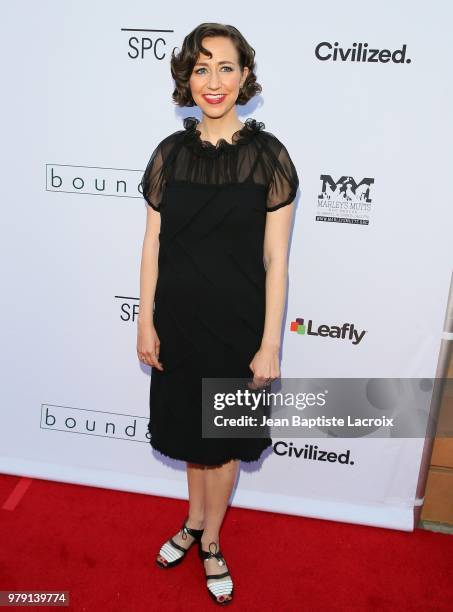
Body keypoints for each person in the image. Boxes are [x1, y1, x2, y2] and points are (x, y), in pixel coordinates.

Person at [137, 22, 299, 606]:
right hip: (176, 321)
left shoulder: (268, 158)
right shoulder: (169, 155)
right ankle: (193, 521)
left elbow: (276, 260)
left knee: (222, 442)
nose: (214, 81)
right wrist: (144, 320)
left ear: (245, 77)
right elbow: (152, 245)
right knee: (191, 437)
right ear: (187, 78)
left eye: (226, 68)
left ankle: (210, 542)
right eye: (201, 68)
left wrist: (269, 343)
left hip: (236, 327)